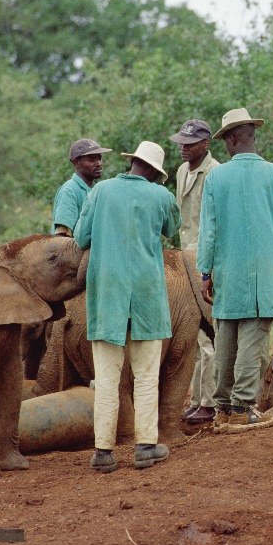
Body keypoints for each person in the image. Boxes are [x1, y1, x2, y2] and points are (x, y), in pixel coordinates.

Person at [74, 141, 181, 473]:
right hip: (148, 298)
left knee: (107, 378)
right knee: (146, 375)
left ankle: (103, 452)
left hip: (108, 297)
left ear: (133, 162)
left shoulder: (101, 191)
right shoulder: (161, 196)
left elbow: (80, 238)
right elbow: (172, 229)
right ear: (153, 171)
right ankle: (145, 447)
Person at [197, 108, 273, 431]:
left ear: (231, 139)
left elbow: (209, 231)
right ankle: (241, 407)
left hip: (228, 272)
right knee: (253, 341)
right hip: (266, 273)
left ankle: (222, 407)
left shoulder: (216, 178)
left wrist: (205, 273)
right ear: (251, 137)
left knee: (226, 338)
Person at [170, 119, 220, 425]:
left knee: (210, 335)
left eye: (189, 143)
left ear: (206, 144)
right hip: (186, 259)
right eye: (181, 142)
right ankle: (200, 399)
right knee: (195, 333)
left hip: (206, 261)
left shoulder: (215, 173)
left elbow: (214, 224)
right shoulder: (181, 172)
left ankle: (210, 402)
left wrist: (210, 267)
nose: (183, 147)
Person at [53, 139, 112, 236]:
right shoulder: (69, 191)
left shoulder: (97, 189)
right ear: (77, 163)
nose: (99, 164)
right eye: (91, 160)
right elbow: (62, 236)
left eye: (99, 158)